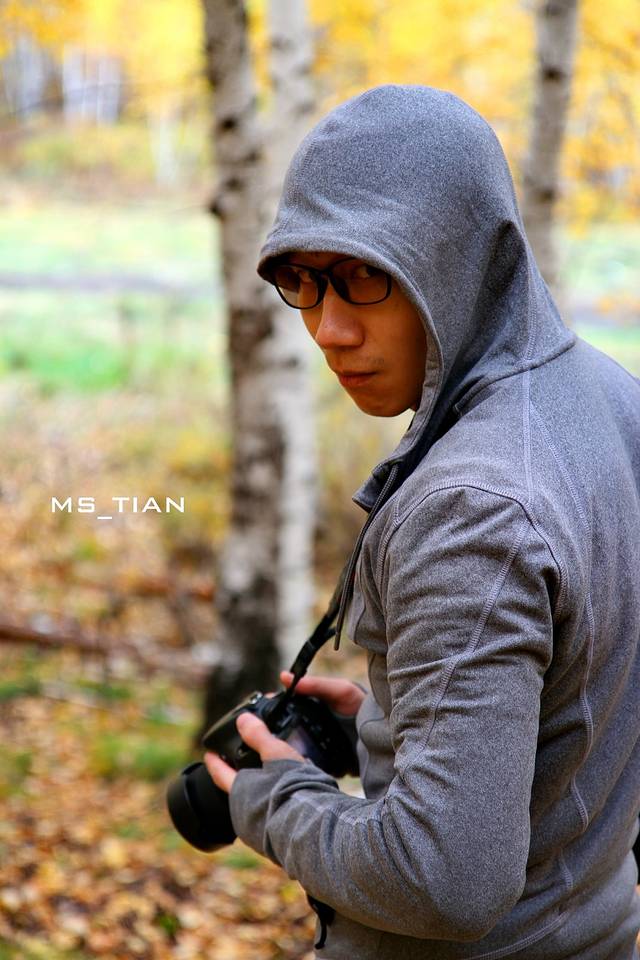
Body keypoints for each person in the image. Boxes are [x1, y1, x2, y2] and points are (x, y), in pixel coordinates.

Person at [204, 84, 640, 959]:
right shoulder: (611, 400)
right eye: (302, 281)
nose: (328, 329)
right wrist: (397, 723)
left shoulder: (469, 510)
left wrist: (277, 802)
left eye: (366, 276)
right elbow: (588, 708)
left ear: (462, 257)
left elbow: (446, 878)